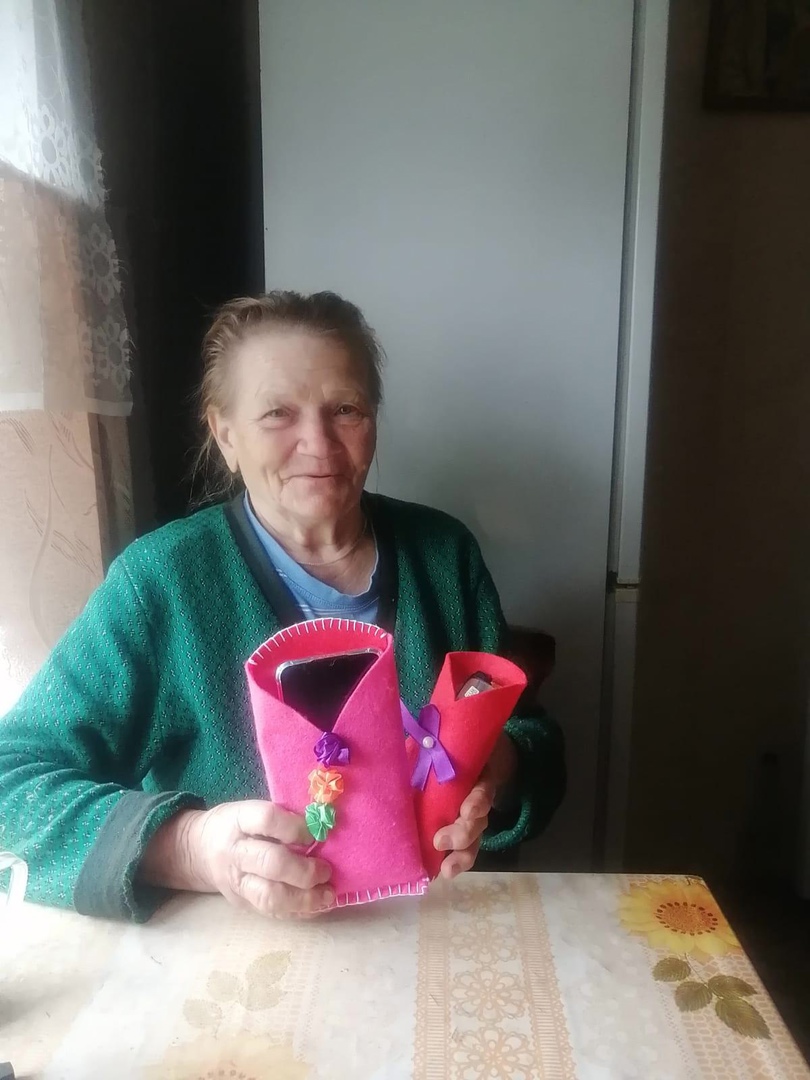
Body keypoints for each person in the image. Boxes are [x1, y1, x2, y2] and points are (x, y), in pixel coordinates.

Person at [0, 291, 565, 922]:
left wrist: (497, 766)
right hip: (240, 956)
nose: (318, 444)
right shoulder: (160, 582)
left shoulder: (444, 553)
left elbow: (533, 738)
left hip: (433, 934)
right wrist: (190, 847)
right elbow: (9, 785)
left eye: (345, 409)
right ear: (226, 434)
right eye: (277, 413)